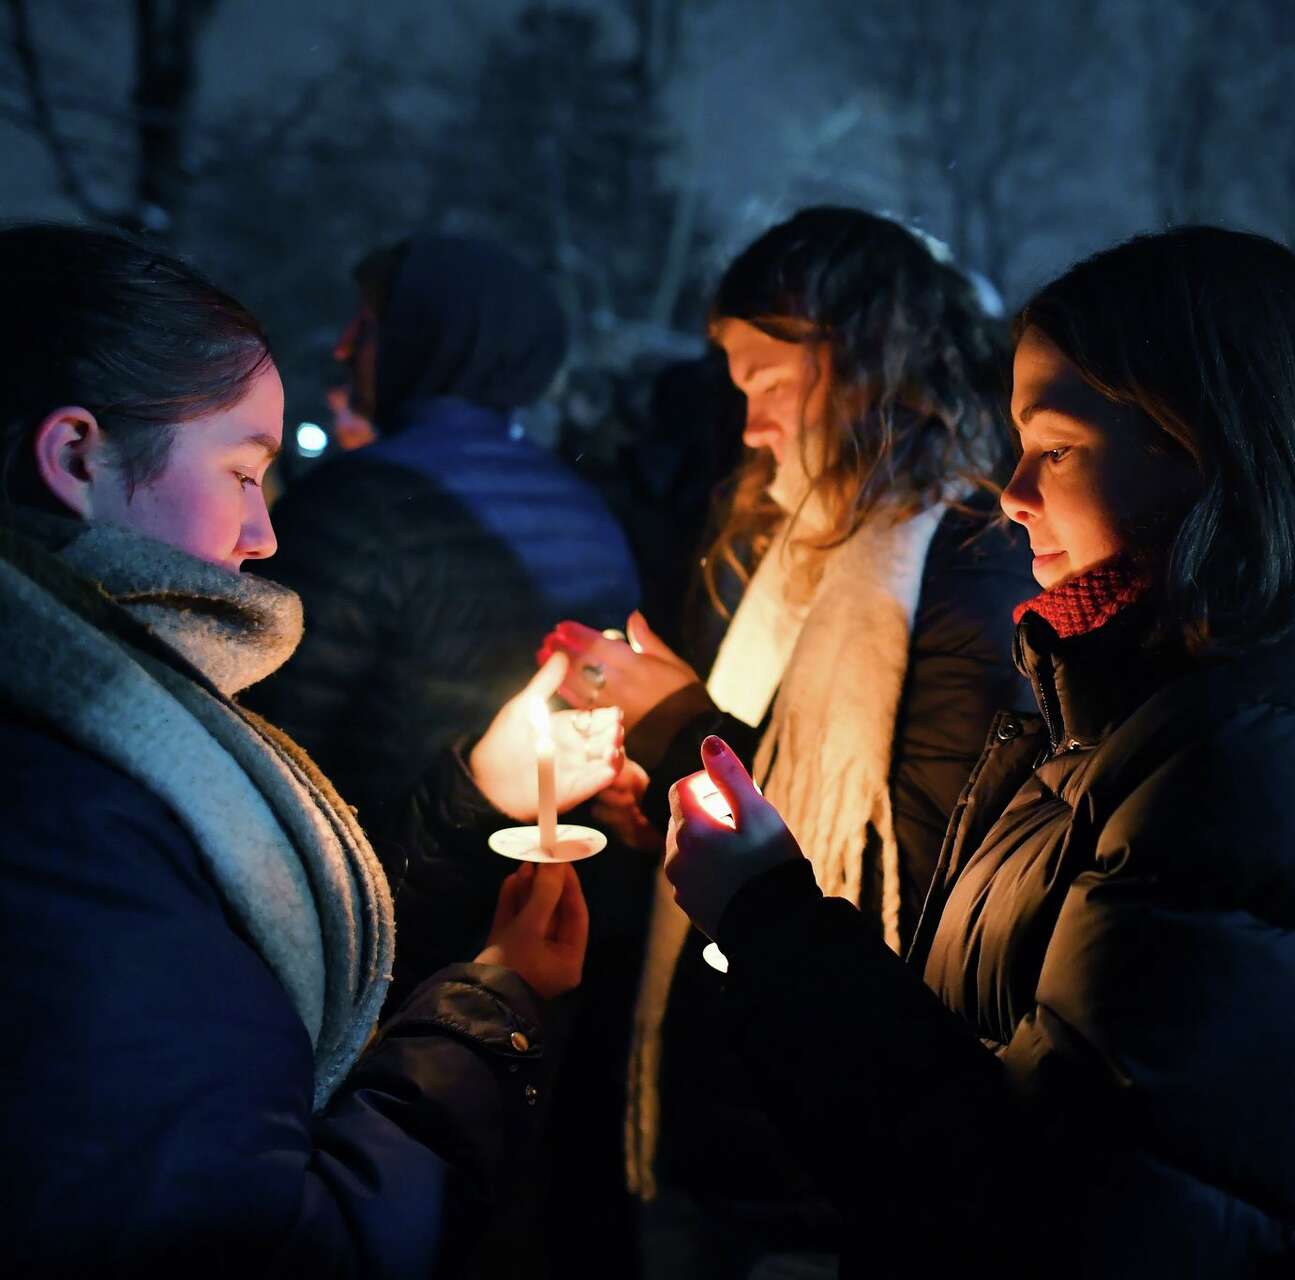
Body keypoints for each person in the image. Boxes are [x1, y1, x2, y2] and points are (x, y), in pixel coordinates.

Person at [657, 227, 1295, 1276]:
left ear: (1203, 443)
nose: (1012, 489)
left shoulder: (1276, 767)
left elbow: (1062, 1210)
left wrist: (770, 915)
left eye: (1055, 447)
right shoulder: (1142, 698)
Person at [0, 223, 626, 1274]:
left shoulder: (115, 742)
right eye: (244, 473)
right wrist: (489, 1005)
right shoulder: (75, 812)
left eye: (262, 473)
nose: (267, 536)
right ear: (72, 457)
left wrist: (477, 791)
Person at [538, 207, 1034, 1273]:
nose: (752, 423)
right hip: (722, 1089)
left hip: (831, 1144)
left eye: (770, 379)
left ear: (865, 359)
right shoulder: (786, 549)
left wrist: (680, 724)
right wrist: (654, 808)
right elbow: (760, 774)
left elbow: (916, 863)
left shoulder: (963, 567)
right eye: (738, 384)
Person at [245, 235, 642, 835]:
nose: (344, 346)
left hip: (382, 881)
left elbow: (266, 753)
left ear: (428, 337)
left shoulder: (355, 503)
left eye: (370, 325)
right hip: (543, 877)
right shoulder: (589, 512)